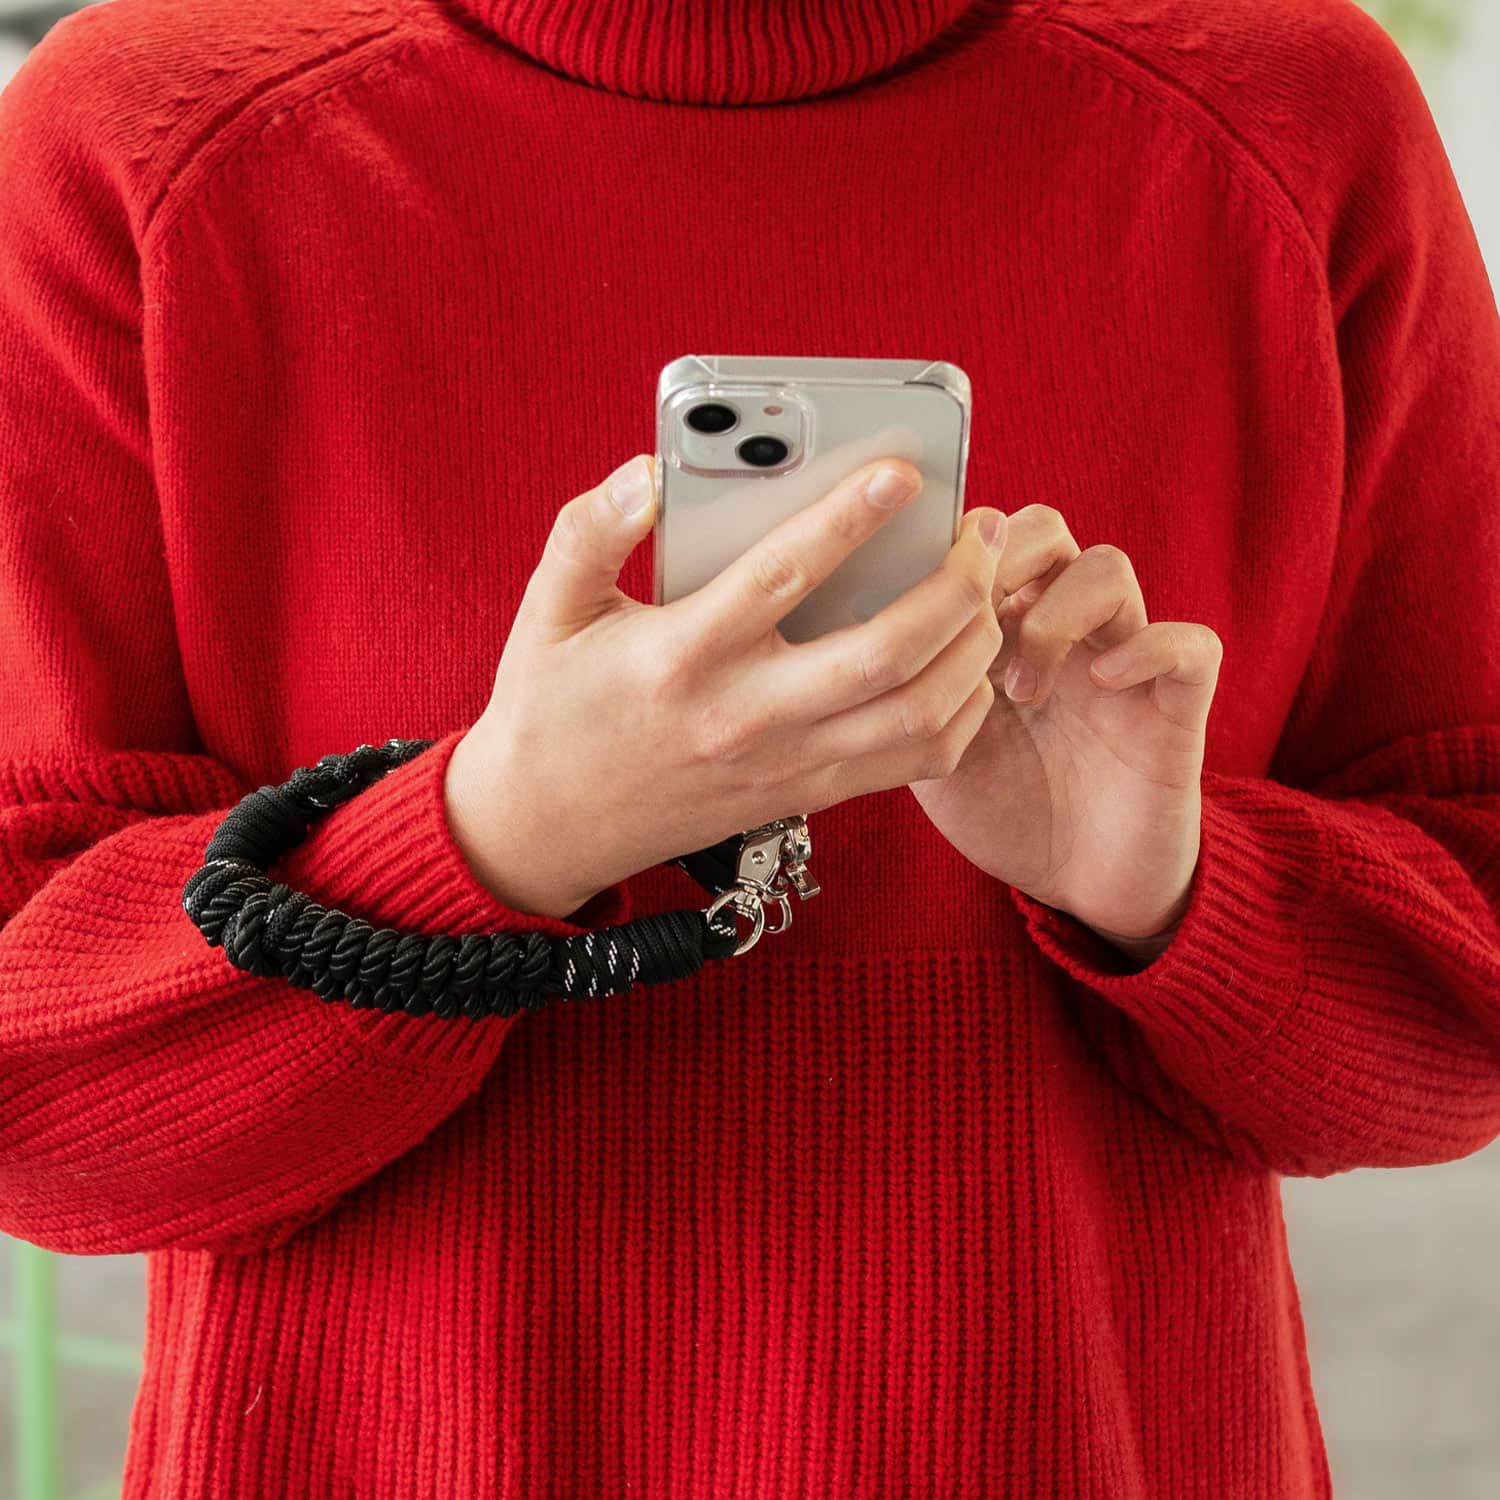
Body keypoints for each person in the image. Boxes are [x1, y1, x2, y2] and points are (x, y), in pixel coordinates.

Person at [0, 0, 1496, 1494]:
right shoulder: (143, 145)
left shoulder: (1291, 128)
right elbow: (38, 1112)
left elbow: (1466, 1017)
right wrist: (494, 838)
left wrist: (1179, 895)